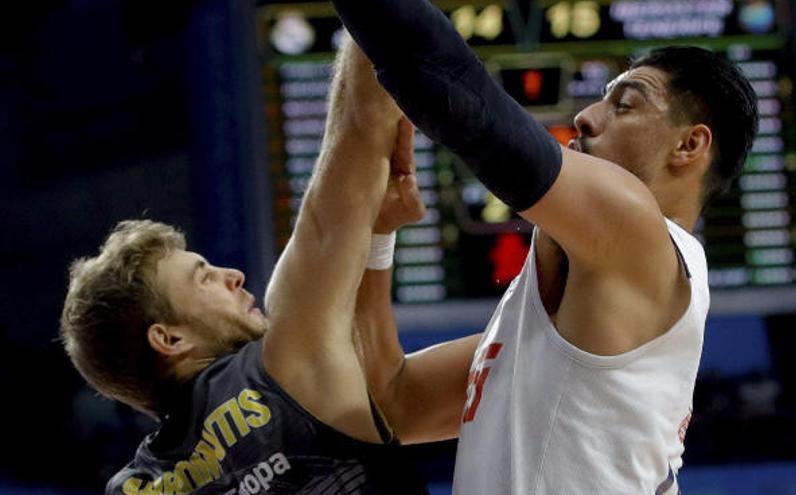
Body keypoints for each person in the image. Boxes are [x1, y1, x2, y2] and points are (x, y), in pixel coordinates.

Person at [335, 0, 758, 493]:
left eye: (625, 104)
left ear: (689, 147)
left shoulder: (640, 228)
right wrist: (380, 234)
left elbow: (454, 92)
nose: (584, 117)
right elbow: (391, 406)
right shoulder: (554, 327)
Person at [59, 39, 430, 495]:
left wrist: (380, 239)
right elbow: (360, 117)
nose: (232, 275)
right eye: (204, 277)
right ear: (169, 338)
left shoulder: (134, 487)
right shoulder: (282, 362)